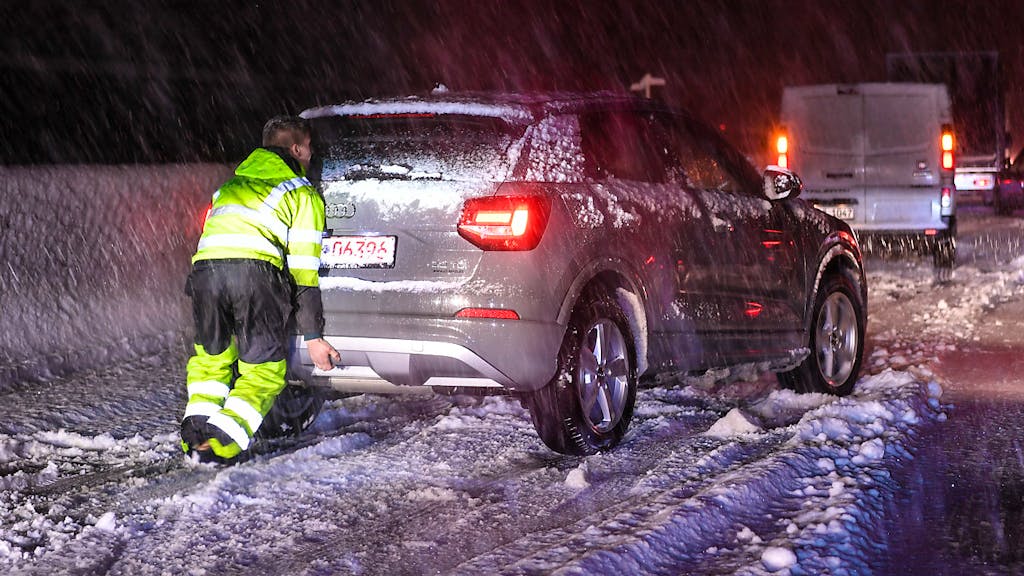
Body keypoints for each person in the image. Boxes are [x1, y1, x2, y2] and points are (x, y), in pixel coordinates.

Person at [180, 115, 340, 464]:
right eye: (310, 148)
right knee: (263, 369)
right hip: (254, 276)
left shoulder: (230, 186)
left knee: (210, 362)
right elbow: (303, 271)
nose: (311, 156)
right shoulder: (300, 193)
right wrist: (313, 335)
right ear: (297, 148)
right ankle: (222, 443)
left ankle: (196, 437)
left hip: (205, 274)